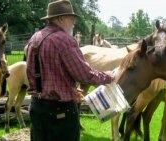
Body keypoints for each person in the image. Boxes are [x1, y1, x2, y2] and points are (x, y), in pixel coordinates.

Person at [26, 0, 114, 141]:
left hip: (37, 108)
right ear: (61, 18)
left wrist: (70, 90)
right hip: (60, 113)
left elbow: (37, 73)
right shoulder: (64, 40)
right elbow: (84, 75)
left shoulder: (34, 39)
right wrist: (109, 76)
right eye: (72, 19)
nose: (74, 23)